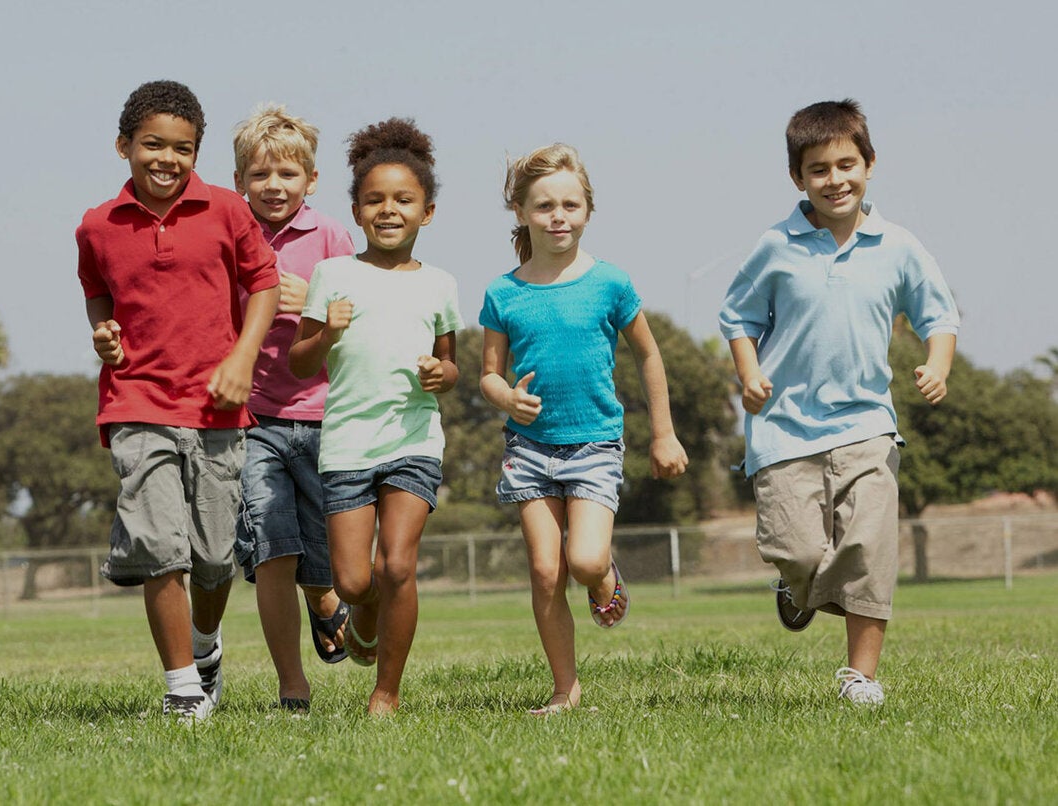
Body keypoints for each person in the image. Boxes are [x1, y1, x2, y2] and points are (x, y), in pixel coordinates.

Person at [718, 99, 958, 705]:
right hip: (783, 431)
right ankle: (796, 589)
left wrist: (937, 362)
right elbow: (738, 316)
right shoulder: (776, 246)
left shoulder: (898, 246)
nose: (835, 180)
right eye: (819, 169)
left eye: (846, 164)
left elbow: (938, 313)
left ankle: (861, 676)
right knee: (794, 550)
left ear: (870, 164)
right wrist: (749, 376)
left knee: (868, 548)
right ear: (798, 178)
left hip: (867, 425)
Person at [77, 80, 280, 723]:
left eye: (182, 149)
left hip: (217, 405)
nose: (166, 159)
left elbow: (264, 283)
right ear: (123, 146)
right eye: (151, 145)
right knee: (158, 545)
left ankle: (203, 645)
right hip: (136, 400)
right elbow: (98, 292)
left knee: (215, 557)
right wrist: (104, 333)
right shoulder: (97, 226)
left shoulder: (226, 210)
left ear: (198, 153)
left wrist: (242, 359)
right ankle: (182, 689)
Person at [479, 143, 689, 715]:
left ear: (588, 210)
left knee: (585, 561)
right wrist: (507, 398)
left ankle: (604, 580)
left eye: (570, 204)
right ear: (520, 211)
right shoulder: (504, 292)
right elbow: (488, 377)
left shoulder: (611, 283)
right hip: (528, 448)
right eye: (544, 205)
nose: (558, 216)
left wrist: (663, 434)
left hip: (595, 443)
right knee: (546, 572)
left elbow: (648, 356)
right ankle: (564, 690)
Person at [289, 118, 462, 715]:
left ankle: (385, 692)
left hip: (414, 439)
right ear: (358, 211)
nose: (389, 210)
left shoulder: (441, 285)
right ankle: (361, 622)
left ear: (428, 212)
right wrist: (327, 328)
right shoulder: (333, 275)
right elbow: (299, 361)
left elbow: (450, 364)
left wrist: (444, 377)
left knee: (397, 565)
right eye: (375, 200)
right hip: (346, 446)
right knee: (356, 583)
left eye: (404, 200)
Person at [229, 104, 357, 712]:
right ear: (239, 182)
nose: (273, 187)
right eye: (259, 175)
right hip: (254, 420)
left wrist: (317, 300)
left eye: (287, 174)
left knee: (325, 555)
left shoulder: (331, 236)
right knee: (272, 547)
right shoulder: (229, 234)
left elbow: (361, 317)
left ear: (310, 180)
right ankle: (291, 683)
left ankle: (325, 597)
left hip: (328, 415)